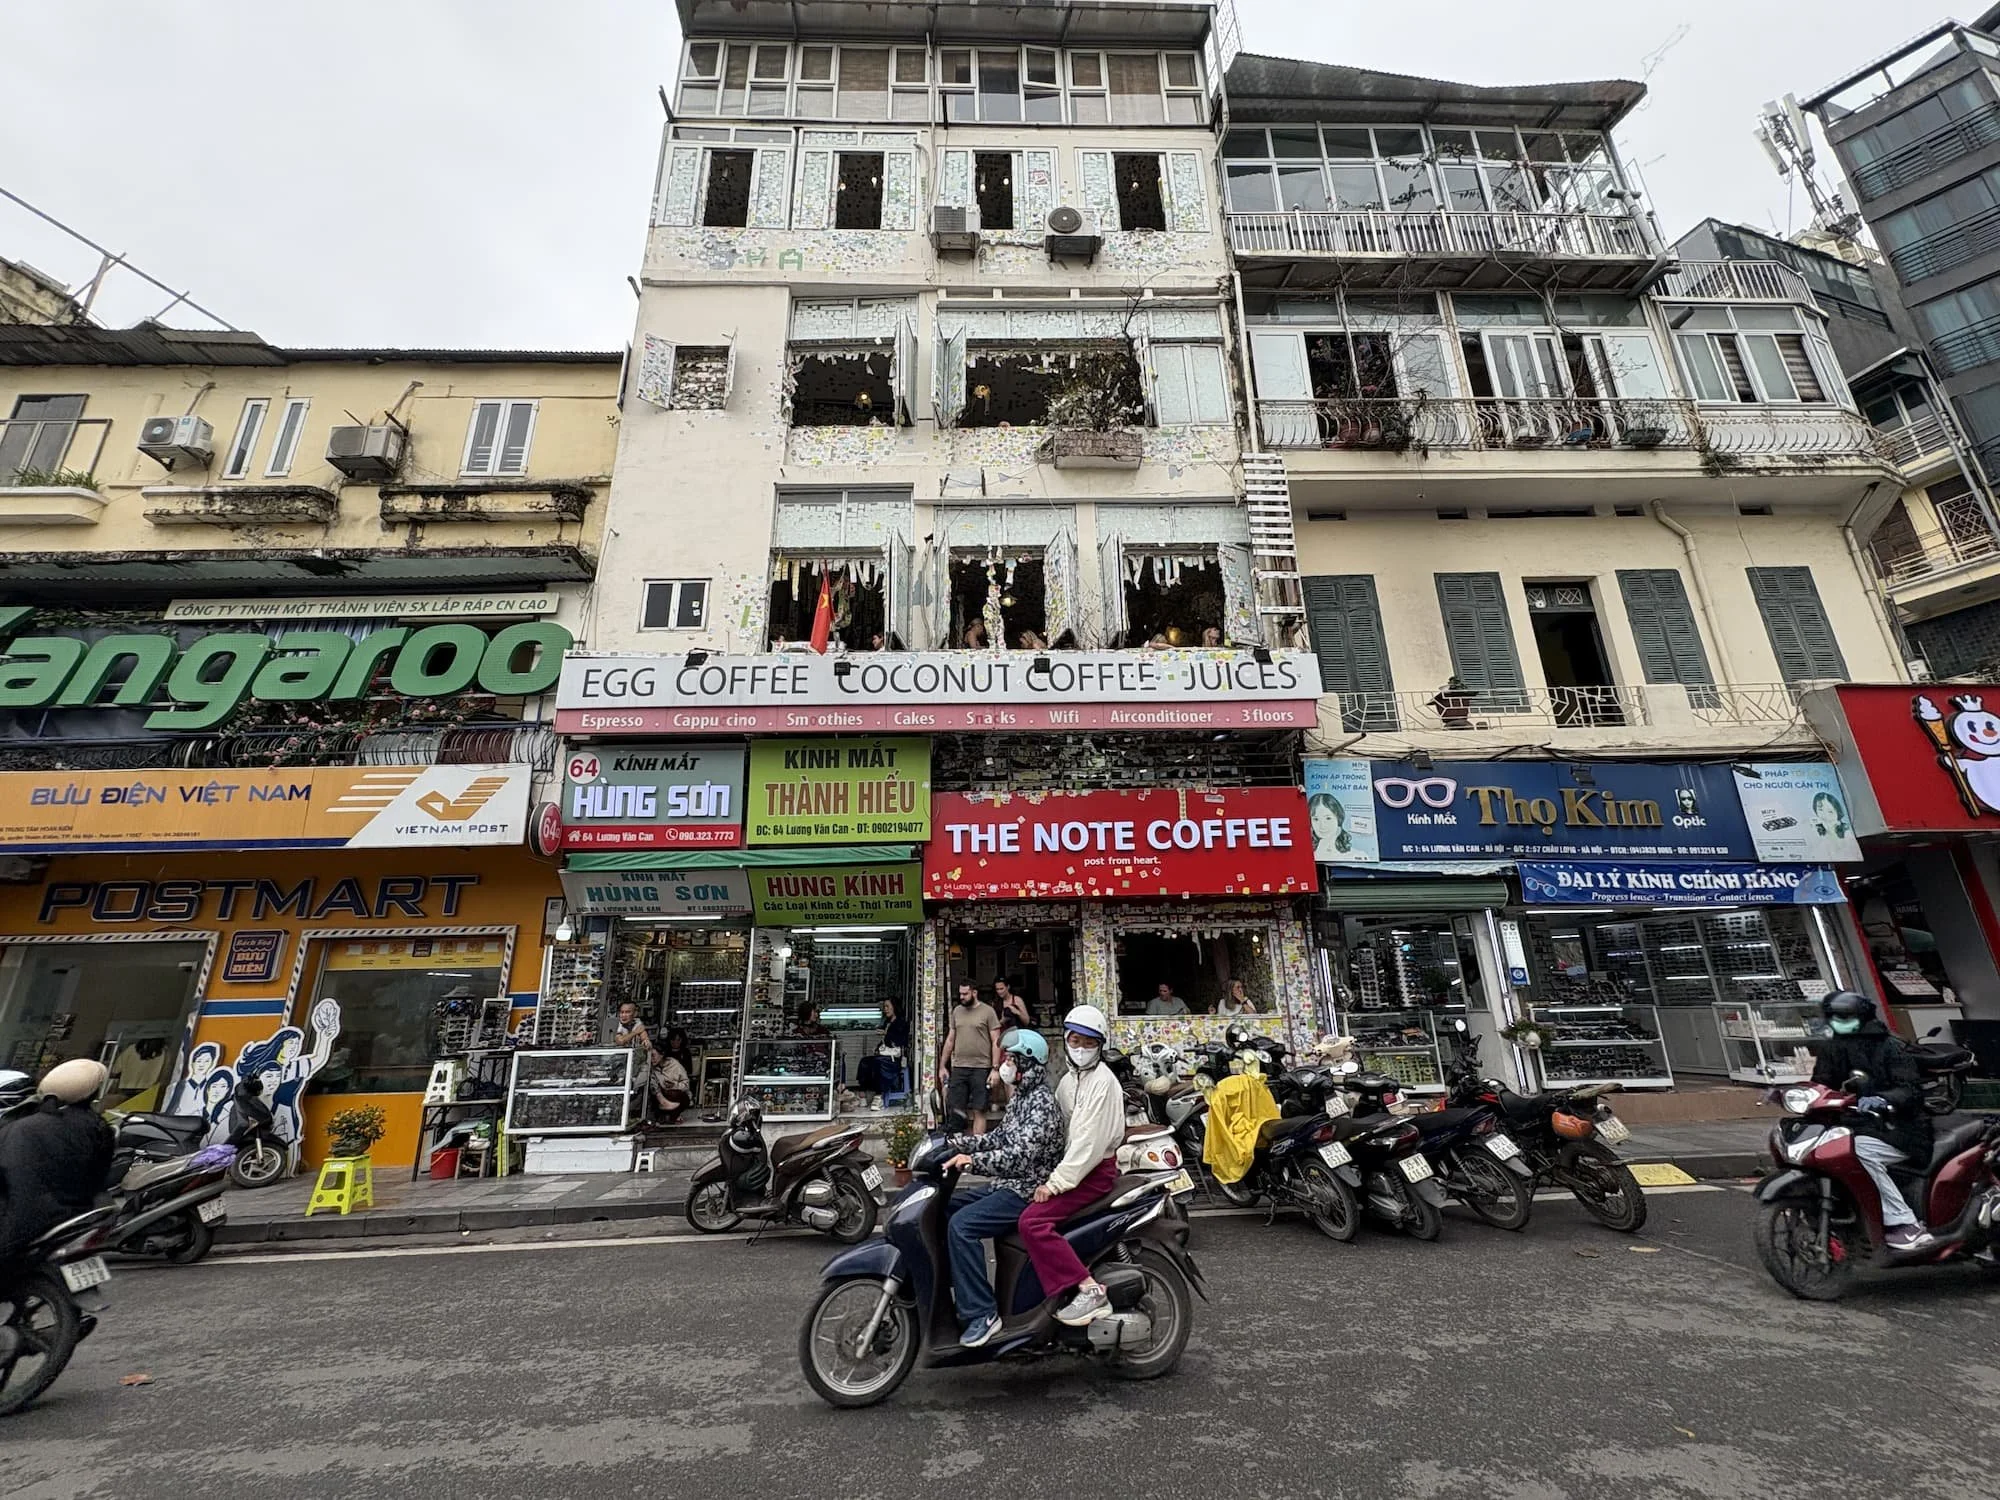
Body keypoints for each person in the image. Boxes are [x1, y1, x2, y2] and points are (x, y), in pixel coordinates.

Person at [939, 1029, 1066, 1347]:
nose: (1006, 1065)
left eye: (1011, 1059)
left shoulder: (1041, 1105)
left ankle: (982, 1314)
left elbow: (1018, 1157)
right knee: (945, 1208)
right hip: (1008, 1184)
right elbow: (999, 1138)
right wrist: (955, 1142)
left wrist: (971, 1162)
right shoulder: (1022, 1097)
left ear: (1028, 1064)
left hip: (1026, 1190)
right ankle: (957, 1288)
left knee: (962, 1226)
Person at [1020, 1005, 1128, 1325]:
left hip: (1093, 1174)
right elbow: (1059, 1134)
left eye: (1089, 1043)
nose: (1081, 1049)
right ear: (1066, 1041)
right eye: (1076, 1040)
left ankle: (1089, 1289)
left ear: (1100, 1046)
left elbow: (1087, 1146)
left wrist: (1054, 1184)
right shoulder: (1068, 1082)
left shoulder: (1103, 1083)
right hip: (1075, 1170)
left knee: (1032, 1223)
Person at [1811, 990, 1934, 1251]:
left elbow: (1910, 1090)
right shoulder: (1832, 1048)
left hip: (1900, 1130)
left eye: (1844, 1016)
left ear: (1862, 1016)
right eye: (1833, 1016)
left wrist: (1883, 1099)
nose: (1838, 1021)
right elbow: (1821, 1085)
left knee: (1859, 1152)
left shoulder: (1891, 1046)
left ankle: (1906, 1224)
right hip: (1853, 1125)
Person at [0, 1059, 116, 1262]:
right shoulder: (98, 1126)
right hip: (80, 1215)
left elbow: (18, 1187)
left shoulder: (21, 1130)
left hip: (28, 1223)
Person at [938, 983, 1003, 1135]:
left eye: (965, 994)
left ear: (974, 992)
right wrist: (942, 1066)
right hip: (959, 1067)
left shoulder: (988, 1011)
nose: (961, 997)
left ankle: (976, 1147)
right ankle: (959, 1145)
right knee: (956, 1109)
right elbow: (950, 1040)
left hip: (981, 1068)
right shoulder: (957, 1011)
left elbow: (996, 1041)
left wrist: (995, 1069)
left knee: (979, 1109)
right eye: (960, 993)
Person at [649, 1044, 692, 1123]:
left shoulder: (675, 1065)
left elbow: (686, 1085)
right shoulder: (652, 1068)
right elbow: (653, 1086)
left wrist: (674, 1085)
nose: (651, 1059)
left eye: (653, 1056)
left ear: (662, 1055)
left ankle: (673, 1114)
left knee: (675, 1094)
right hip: (661, 1096)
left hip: (677, 1094)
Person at [1308, 791, 1352, 858]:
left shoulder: (1356, 855)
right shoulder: (1305, 854)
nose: (1322, 826)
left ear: (1338, 818)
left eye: (1328, 818)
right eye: (1316, 819)